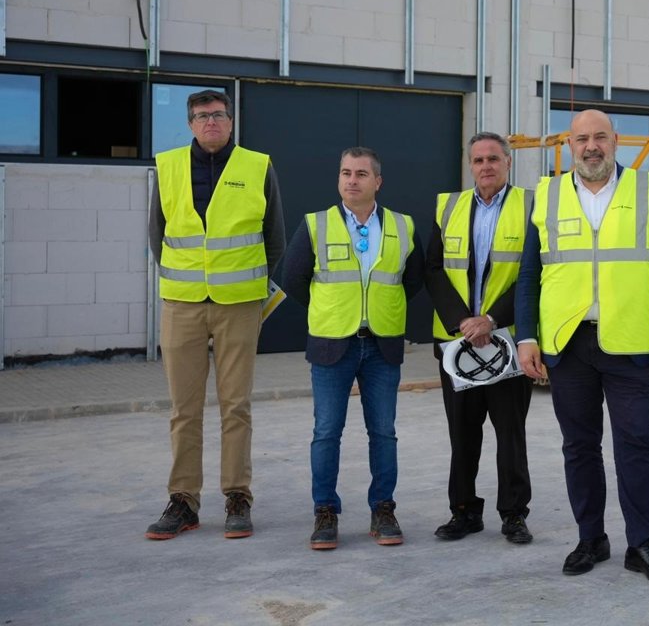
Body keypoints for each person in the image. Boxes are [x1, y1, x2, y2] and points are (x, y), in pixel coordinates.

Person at [516, 109, 649, 586]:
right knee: (579, 446)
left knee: (637, 444)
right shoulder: (547, 194)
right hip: (568, 343)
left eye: (600, 137)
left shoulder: (647, 189)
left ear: (615, 141)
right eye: (581, 139)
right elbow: (530, 274)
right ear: (569, 145)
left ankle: (643, 544)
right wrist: (527, 336)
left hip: (630, 341)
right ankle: (591, 538)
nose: (591, 146)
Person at [146, 89, 286, 540]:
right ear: (190, 123)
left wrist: (248, 285)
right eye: (202, 115)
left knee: (236, 406)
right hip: (182, 305)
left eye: (219, 114)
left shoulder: (257, 165)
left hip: (239, 306)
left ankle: (237, 496)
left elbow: (275, 236)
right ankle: (183, 500)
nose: (211, 121)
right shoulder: (168, 166)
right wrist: (186, 280)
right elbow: (157, 233)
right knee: (184, 410)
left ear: (231, 121)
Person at [279, 147, 424, 550]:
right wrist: (331, 310)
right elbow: (293, 279)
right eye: (346, 173)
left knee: (384, 433)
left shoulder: (403, 225)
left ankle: (383, 509)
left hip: (382, 344)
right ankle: (325, 511)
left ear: (378, 181)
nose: (352, 180)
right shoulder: (316, 224)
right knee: (326, 432)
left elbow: (412, 280)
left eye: (361, 173)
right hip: (331, 344)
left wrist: (380, 308)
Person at [425, 132, 534, 545]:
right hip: (458, 343)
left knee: (511, 434)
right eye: (478, 160)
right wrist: (463, 322)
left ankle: (514, 514)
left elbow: (536, 273)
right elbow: (434, 269)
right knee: (462, 434)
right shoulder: (448, 206)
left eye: (493, 158)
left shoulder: (531, 206)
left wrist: (491, 319)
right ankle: (464, 511)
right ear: (470, 165)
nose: (485, 166)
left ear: (508, 162)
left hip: (508, 342)